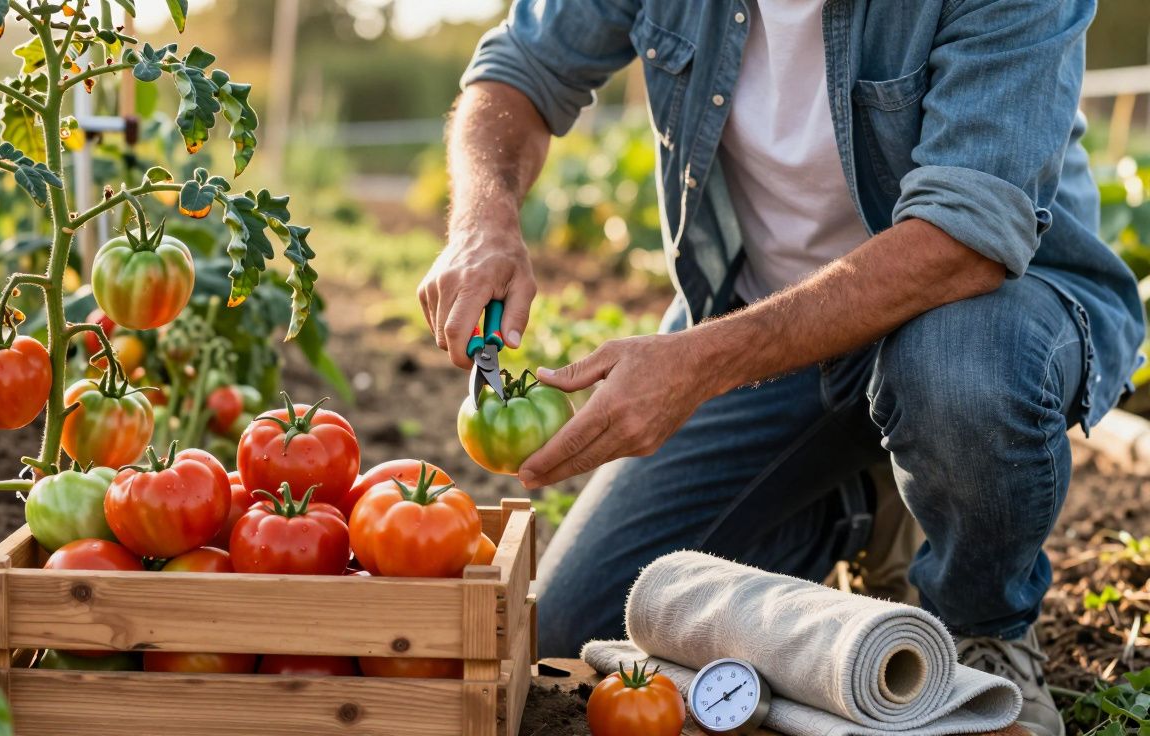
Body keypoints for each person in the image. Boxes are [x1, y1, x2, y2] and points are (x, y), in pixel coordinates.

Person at [417, 2, 1145, 735]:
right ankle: (856, 502)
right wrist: (483, 219)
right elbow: (521, 70)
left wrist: (697, 365)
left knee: (960, 372)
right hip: (762, 328)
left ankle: (984, 623)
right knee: (579, 625)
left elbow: (966, 239)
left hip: (982, 316)